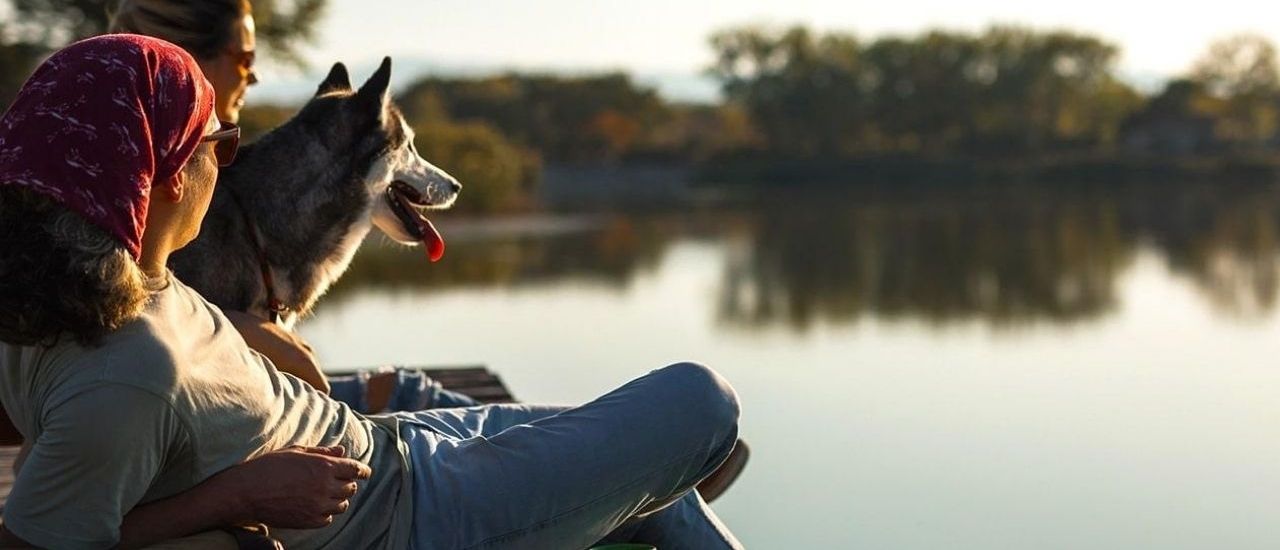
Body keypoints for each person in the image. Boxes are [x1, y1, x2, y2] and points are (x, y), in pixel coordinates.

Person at [0, 34, 742, 550]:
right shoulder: (129, 375)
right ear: (160, 177)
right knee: (703, 404)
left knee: (663, 492)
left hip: (394, 449)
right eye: (219, 146)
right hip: (411, 519)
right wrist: (233, 501)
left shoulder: (86, 282)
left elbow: (64, 447)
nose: (230, 166)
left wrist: (244, 333)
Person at [106, 0, 465, 413]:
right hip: (185, 413)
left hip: (213, 405)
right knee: (407, 397)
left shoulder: (143, 154)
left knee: (402, 393)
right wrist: (241, 329)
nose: (254, 75)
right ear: (182, 57)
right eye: (243, 60)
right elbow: (114, 315)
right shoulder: (136, 174)